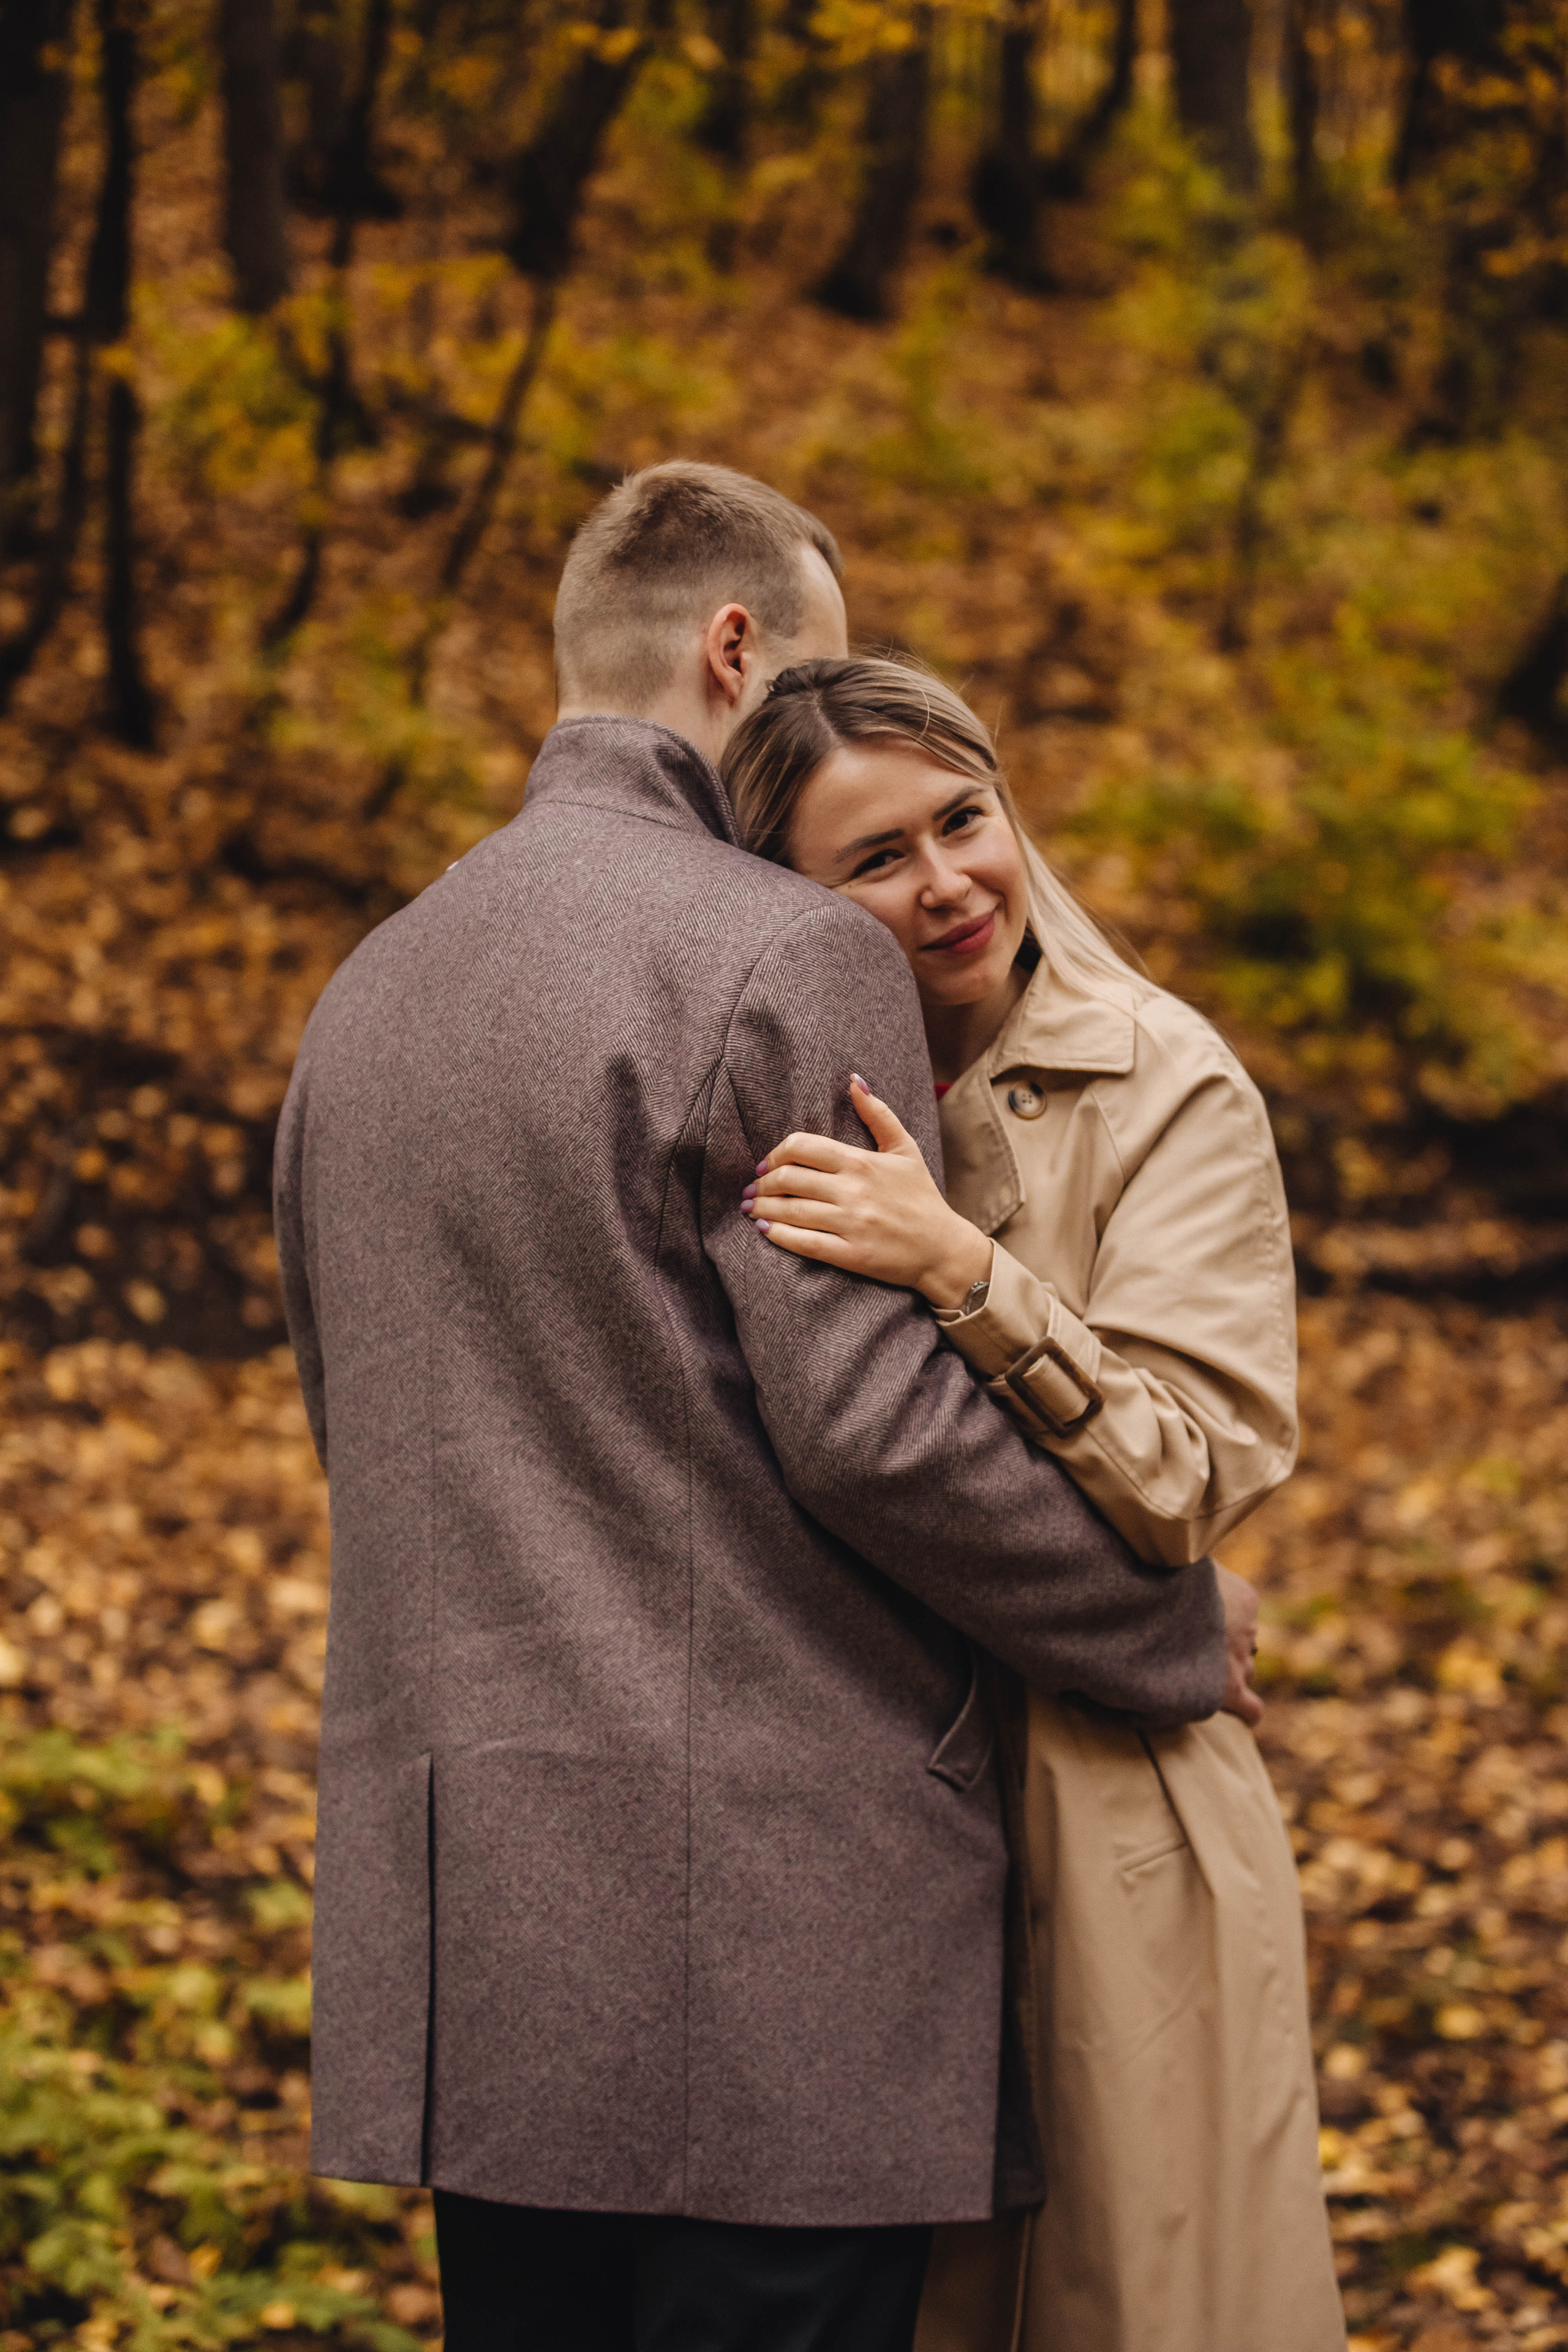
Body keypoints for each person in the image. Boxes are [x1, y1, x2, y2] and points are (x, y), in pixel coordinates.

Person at [273, 464, 1256, 2352]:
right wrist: (1157, 1630)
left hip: (474, 1946)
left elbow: (364, 1426)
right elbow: (875, 1434)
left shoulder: (366, 995)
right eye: (819, 664)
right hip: (769, 1956)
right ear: (738, 651)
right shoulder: (782, 949)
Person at [721, 654, 1346, 2352]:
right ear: (786, 898)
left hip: (1115, 1804)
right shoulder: (775, 1095)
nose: (947, 884)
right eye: (875, 859)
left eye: (964, 820)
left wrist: (965, 1266)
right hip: (862, 1831)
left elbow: (1186, 1473)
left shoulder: (1168, 1084)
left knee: (1131, 2299)